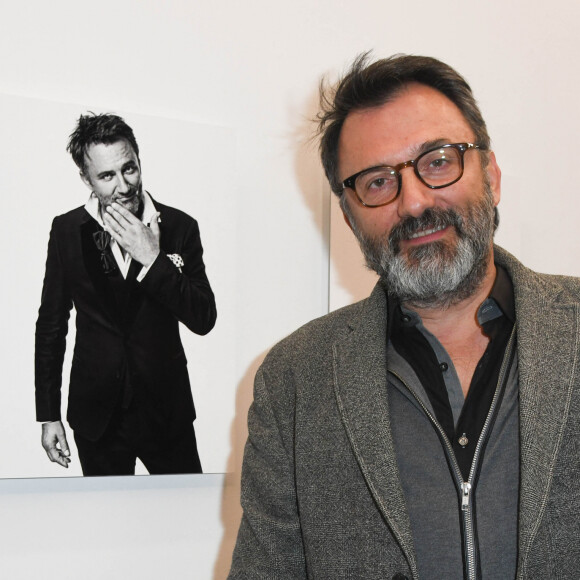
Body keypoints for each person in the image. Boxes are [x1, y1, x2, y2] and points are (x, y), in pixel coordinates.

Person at [229, 54, 580, 579]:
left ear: (492, 175)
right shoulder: (294, 381)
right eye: (376, 181)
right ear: (350, 218)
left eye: (438, 161)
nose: (413, 202)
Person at [35, 113, 217, 476]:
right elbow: (51, 327)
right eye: (107, 176)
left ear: (138, 159)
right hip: (97, 418)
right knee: (107, 526)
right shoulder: (67, 230)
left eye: (129, 168)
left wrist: (153, 258)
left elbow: (203, 318)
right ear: (86, 179)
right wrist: (48, 415)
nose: (123, 185)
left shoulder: (180, 226)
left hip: (167, 413)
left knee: (184, 519)